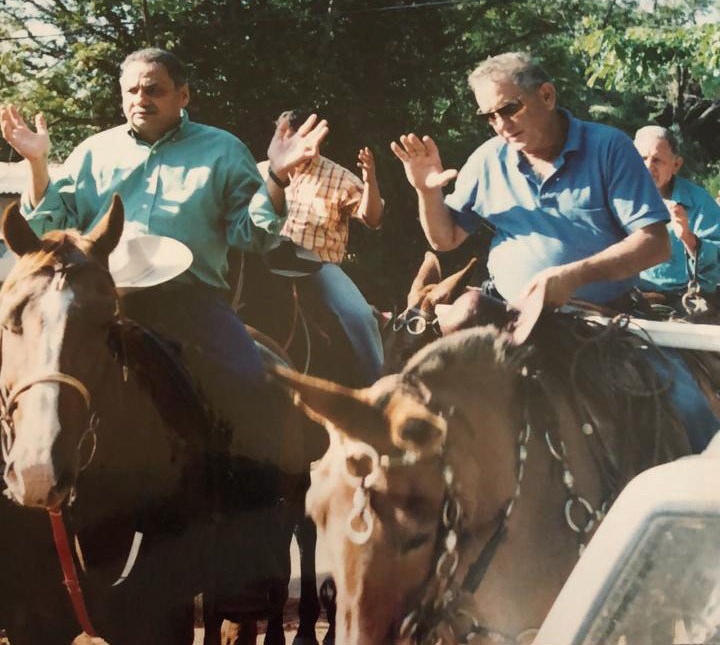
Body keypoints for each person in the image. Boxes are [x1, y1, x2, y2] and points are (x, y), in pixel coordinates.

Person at [0, 47, 328, 464]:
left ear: (183, 95)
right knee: (33, 380)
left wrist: (277, 177)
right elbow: (50, 228)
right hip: (101, 305)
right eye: (132, 90)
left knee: (251, 383)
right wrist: (37, 163)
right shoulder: (92, 152)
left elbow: (251, 236)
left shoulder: (223, 151)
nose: (141, 98)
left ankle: (259, 496)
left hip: (191, 304)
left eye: (154, 89)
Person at [390, 50, 717, 452]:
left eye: (508, 109)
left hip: (602, 321)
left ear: (546, 95)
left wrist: (573, 276)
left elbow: (654, 244)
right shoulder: (488, 159)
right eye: (488, 117)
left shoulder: (609, 147)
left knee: (689, 407)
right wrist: (427, 192)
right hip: (505, 315)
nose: (500, 125)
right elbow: (445, 239)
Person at [252, 109, 385, 386]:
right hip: (264, 258)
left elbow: (372, 218)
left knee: (358, 315)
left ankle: (379, 384)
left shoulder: (339, 177)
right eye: (283, 133)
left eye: (295, 134)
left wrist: (370, 179)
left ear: (314, 138)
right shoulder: (261, 171)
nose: (288, 140)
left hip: (317, 264)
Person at [633, 125, 720, 308]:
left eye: (657, 160)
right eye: (642, 158)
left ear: (676, 165)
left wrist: (689, 239)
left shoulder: (699, 202)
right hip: (629, 296)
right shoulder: (618, 197)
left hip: (684, 300)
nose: (648, 167)